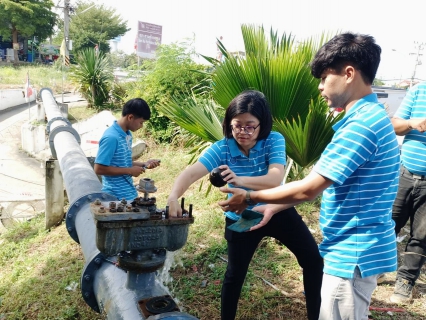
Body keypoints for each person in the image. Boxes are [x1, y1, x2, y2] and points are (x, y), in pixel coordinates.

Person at [219, 33, 400, 320]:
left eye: (324, 78)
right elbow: (319, 182)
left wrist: (250, 197)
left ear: (349, 74)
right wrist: (272, 207)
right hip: (354, 248)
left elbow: (307, 190)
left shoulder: (361, 126)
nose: (319, 87)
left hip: (351, 251)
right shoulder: (368, 118)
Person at [167, 90, 323, 320]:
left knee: (313, 261)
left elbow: (274, 179)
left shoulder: (274, 140)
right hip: (241, 216)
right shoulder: (222, 147)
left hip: (277, 209)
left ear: (263, 124)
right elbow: (190, 174)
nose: (243, 132)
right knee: (234, 275)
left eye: (250, 126)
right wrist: (172, 197)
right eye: (236, 125)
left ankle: (316, 316)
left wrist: (240, 180)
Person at [389, 82, 426, 303]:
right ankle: (378, 267)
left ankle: (405, 280)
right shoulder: (419, 91)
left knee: (421, 236)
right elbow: (394, 125)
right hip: (404, 173)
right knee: (388, 225)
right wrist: (412, 123)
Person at [94, 98, 160, 201]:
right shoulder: (111, 138)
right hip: (116, 198)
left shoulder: (127, 134)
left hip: (129, 194)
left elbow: (122, 162)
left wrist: (144, 164)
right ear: (130, 117)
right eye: (141, 122)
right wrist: (129, 171)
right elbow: (99, 168)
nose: (141, 126)